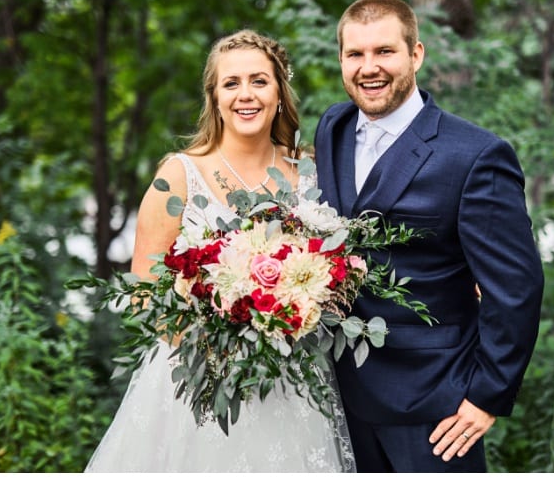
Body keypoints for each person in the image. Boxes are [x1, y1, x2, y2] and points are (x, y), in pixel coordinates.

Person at [85, 29, 355, 472]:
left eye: (259, 81)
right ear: (213, 97)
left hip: (290, 382)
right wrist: (213, 349)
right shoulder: (177, 175)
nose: (245, 95)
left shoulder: (310, 173)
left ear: (280, 93)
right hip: (199, 384)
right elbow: (143, 293)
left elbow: (337, 264)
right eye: (231, 83)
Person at [313, 0, 544, 472]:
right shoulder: (332, 128)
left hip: (435, 406)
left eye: (384, 52)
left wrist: (487, 396)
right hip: (338, 399)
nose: (368, 67)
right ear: (341, 60)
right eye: (355, 54)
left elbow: (515, 287)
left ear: (416, 54)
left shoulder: (476, 155)